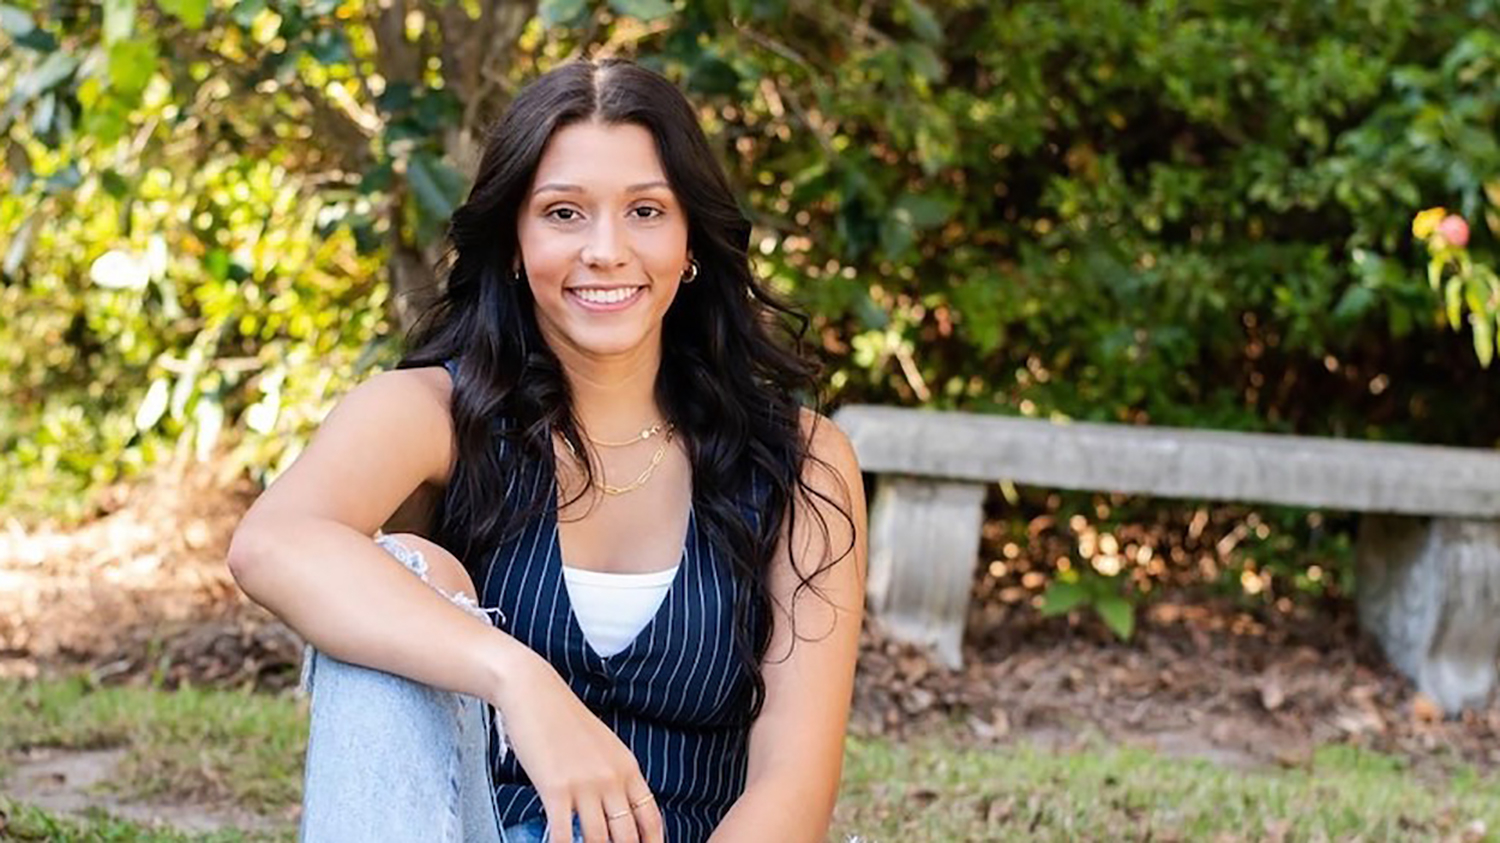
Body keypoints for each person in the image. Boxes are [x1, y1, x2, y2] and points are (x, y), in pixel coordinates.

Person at [227, 57, 867, 843]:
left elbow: (792, 790)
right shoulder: (431, 409)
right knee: (399, 577)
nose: (605, 249)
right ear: (513, 241)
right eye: (565, 213)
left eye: (645, 211)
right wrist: (518, 675)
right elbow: (271, 543)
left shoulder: (800, 459)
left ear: (691, 238)